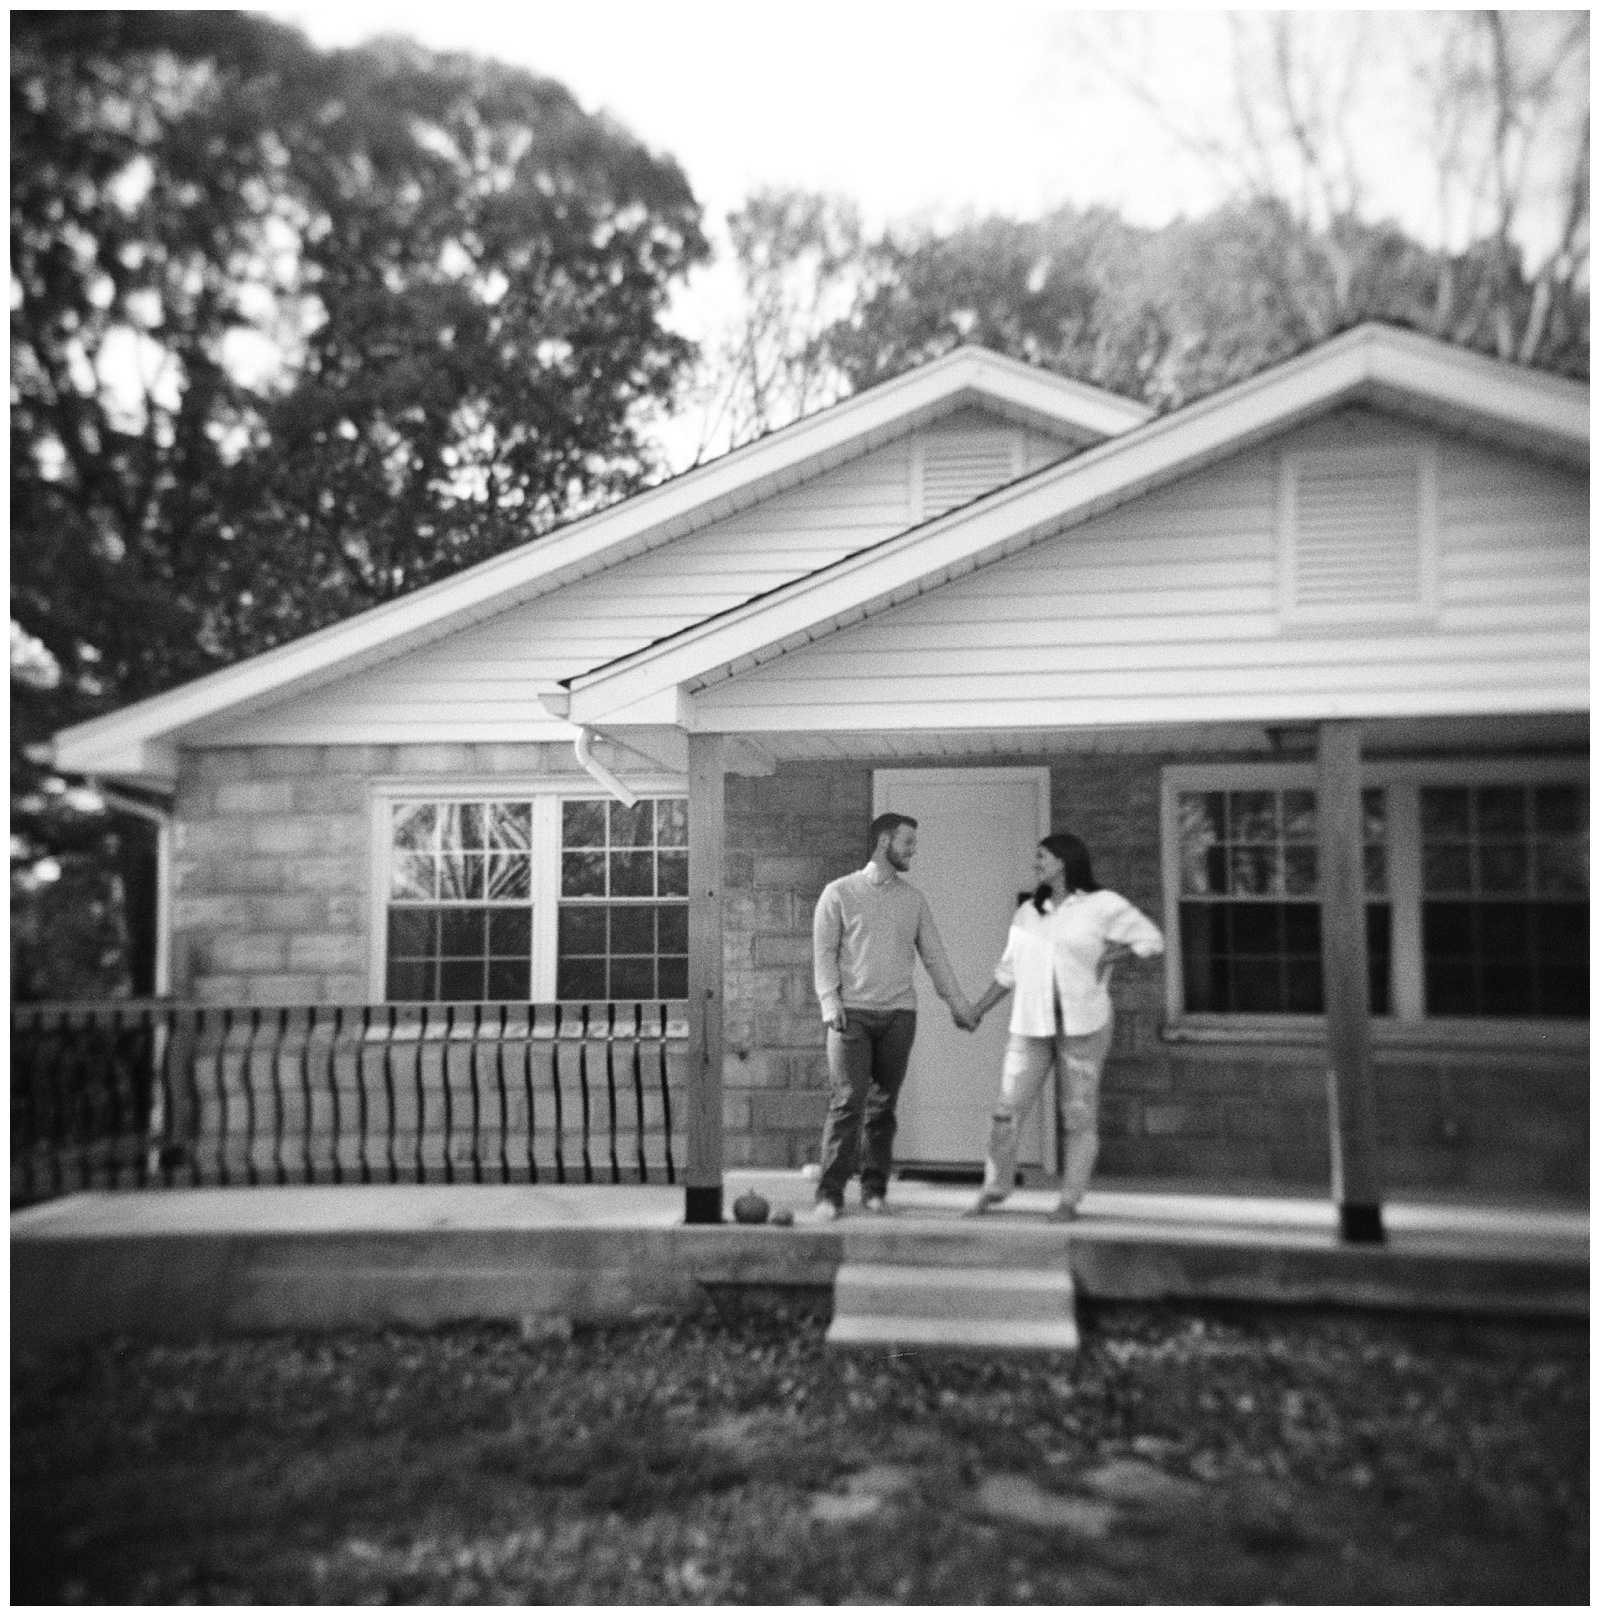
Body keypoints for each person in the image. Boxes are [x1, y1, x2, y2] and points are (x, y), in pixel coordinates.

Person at [964, 831, 1163, 1220]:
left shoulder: (1102, 905)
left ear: (1063, 861)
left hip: (1084, 1027)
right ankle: (995, 1187)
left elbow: (1151, 940)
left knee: (1078, 1115)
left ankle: (1069, 1200)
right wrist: (977, 1009)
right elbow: (1008, 973)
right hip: (1030, 1027)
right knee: (1006, 1110)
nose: (1035, 864)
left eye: (1041, 857)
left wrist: (1111, 956)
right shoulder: (1027, 914)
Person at [809, 812, 978, 1221]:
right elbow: (824, 953)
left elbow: (935, 957)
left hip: (899, 1017)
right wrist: (830, 1004)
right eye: (908, 842)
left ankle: (874, 1189)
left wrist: (958, 1004)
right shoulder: (838, 893)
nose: (913, 851)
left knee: (883, 1108)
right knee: (848, 1104)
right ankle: (830, 1194)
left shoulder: (913, 900)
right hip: (852, 1017)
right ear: (885, 840)